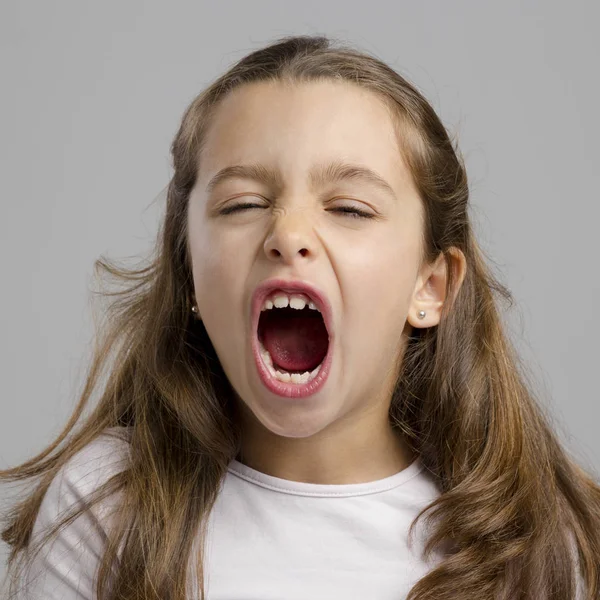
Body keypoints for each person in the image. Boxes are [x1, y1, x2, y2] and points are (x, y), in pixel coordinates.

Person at [1, 34, 597, 600]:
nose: (288, 234)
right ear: (189, 273)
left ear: (432, 287)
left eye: (349, 208)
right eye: (244, 204)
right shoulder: (108, 503)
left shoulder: (535, 543)